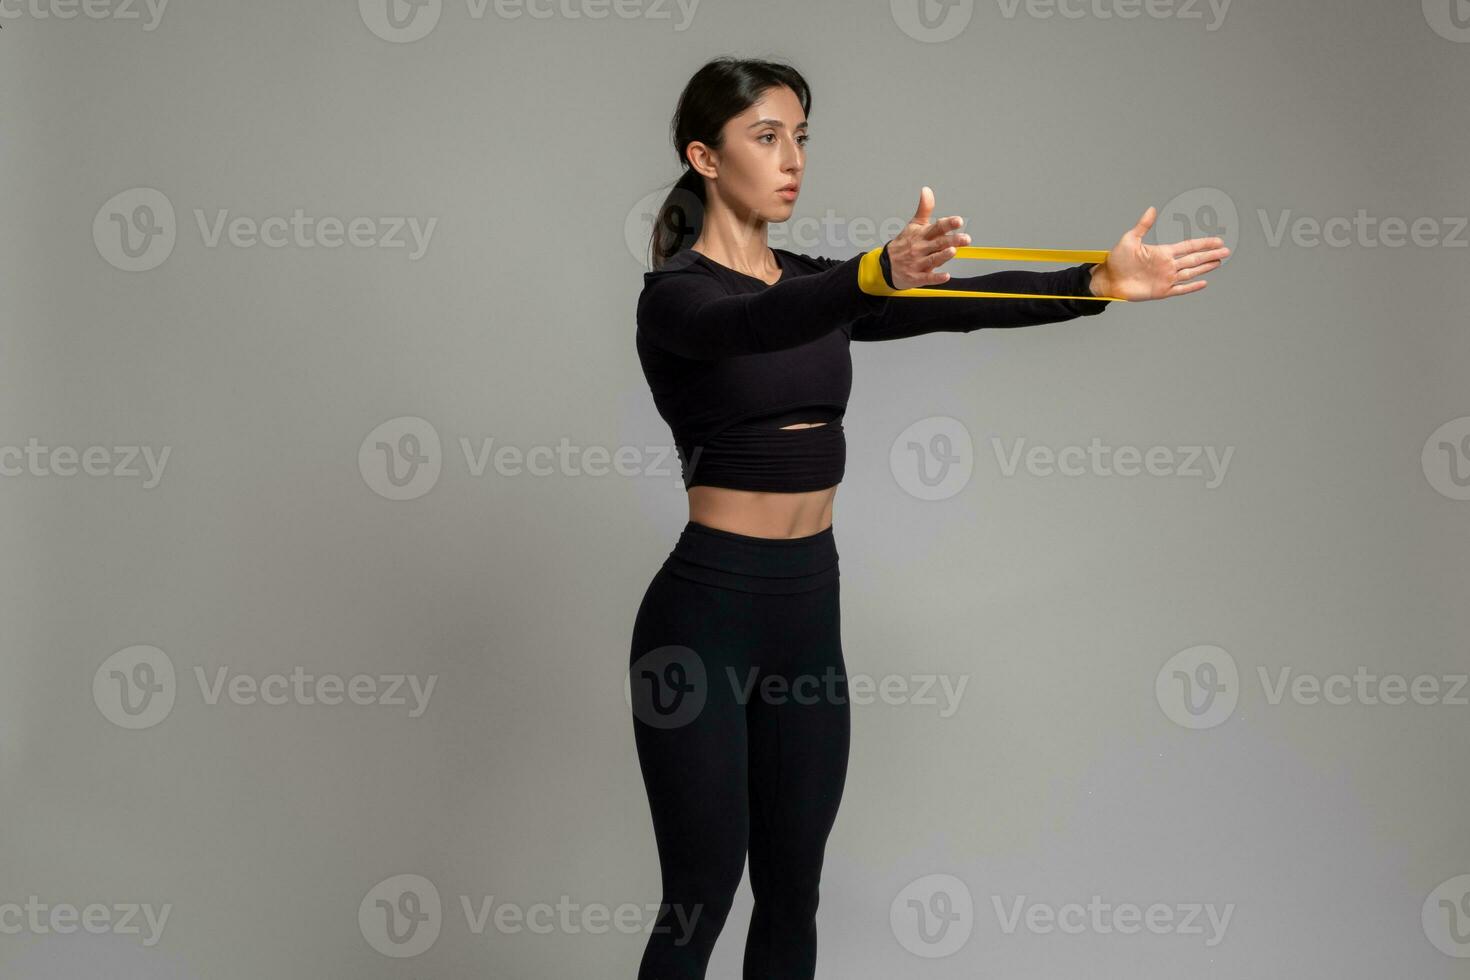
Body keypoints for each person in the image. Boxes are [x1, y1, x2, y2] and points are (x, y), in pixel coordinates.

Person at [628, 56, 1228, 979]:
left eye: (801, 138)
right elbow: (758, 325)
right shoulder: (677, 298)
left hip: (805, 618)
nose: (792, 159)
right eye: (766, 137)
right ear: (704, 157)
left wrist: (1098, 282)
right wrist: (872, 271)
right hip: (702, 621)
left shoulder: (819, 285)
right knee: (701, 893)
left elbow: (960, 304)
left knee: (793, 889)